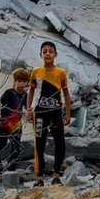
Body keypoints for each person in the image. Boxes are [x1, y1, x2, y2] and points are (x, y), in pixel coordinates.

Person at [27, 41, 72, 186]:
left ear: (55, 54)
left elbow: (66, 93)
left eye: (50, 51)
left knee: (60, 143)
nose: (48, 54)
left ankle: (56, 175)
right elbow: (31, 92)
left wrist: (67, 113)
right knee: (39, 144)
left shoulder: (61, 73)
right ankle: (39, 177)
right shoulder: (36, 72)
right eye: (45, 51)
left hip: (56, 113)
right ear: (41, 54)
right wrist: (29, 110)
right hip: (39, 114)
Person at [0, 67, 29, 172]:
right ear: (15, 81)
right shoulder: (9, 92)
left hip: (16, 125)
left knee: (16, 148)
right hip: (5, 124)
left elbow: (28, 108)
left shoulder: (25, 95)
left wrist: (31, 116)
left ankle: (11, 169)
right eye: (19, 81)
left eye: (24, 81)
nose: (22, 83)